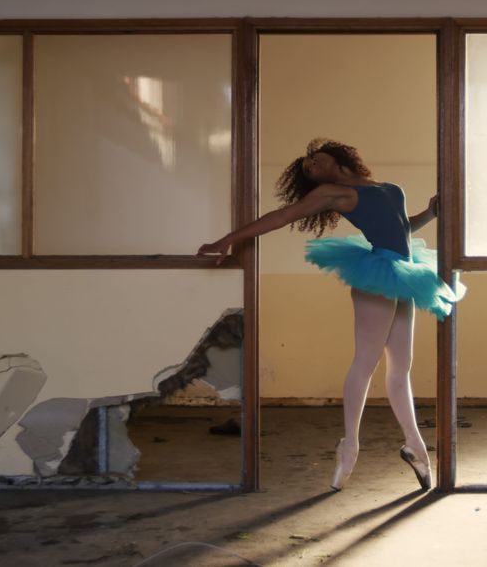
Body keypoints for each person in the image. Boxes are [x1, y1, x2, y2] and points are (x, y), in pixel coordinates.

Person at [197, 138, 464, 491]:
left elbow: (400, 229)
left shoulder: (386, 187)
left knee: (402, 367)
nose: (310, 165)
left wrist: (429, 214)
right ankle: (350, 446)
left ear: (337, 158)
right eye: (307, 171)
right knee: (366, 363)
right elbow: (280, 216)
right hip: (377, 275)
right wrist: (226, 240)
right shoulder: (334, 193)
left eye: (313, 161)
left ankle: (414, 445)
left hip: (405, 273)